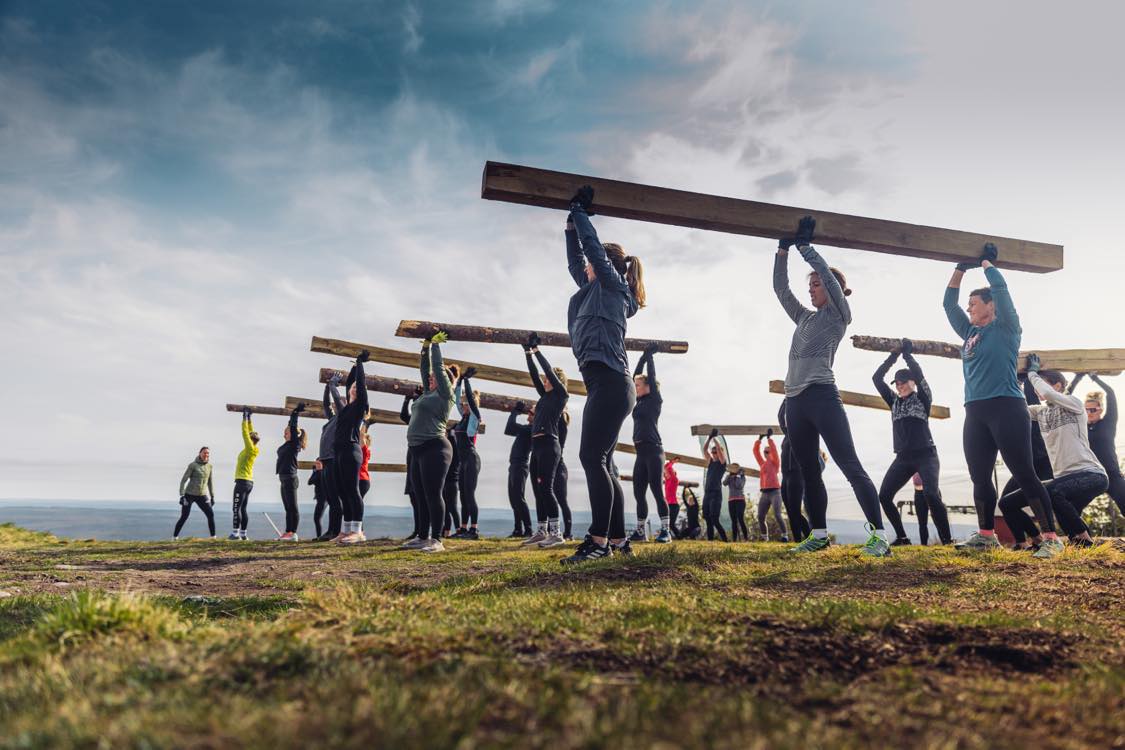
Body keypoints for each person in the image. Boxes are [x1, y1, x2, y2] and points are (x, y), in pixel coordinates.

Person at [774, 217, 889, 556]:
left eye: (815, 285)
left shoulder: (839, 314)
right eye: (809, 286)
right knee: (809, 472)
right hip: (795, 402)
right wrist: (782, 251)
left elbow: (825, 274)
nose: (810, 290)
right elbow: (781, 289)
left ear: (830, 287)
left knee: (850, 466)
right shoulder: (803, 317)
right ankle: (819, 535)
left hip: (823, 397)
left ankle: (880, 537)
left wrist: (805, 248)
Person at [944, 243, 1062, 556]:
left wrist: (986, 262)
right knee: (979, 476)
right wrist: (960, 268)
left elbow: (1001, 288)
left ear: (991, 305)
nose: (969, 308)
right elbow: (948, 304)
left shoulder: (1007, 327)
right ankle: (986, 536)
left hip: (1006, 407)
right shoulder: (969, 333)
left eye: (973, 303)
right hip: (975, 411)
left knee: (1024, 472)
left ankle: (1051, 539)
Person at [560, 185, 645, 564]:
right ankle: (618, 540)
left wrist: (580, 212)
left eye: (592, 263)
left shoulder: (613, 287)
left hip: (611, 382)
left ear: (605, 265)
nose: (585, 267)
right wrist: (569, 228)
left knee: (591, 457)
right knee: (603, 462)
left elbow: (592, 250)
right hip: (608, 383)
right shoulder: (594, 288)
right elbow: (576, 263)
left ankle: (598, 542)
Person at [999, 362, 1107, 553]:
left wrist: (1032, 373)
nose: (1038, 390)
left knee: (1053, 492)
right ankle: (1055, 541)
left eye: (1042, 383)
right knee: (1007, 503)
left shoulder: (1074, 404)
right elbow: (1015, 409)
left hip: (1091, 474)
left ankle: (1085, 540)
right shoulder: (1041, 412)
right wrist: (1015, 384)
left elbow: (1048, 394)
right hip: (1064, 480)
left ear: (1058, 385)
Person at [872, 339, 952, 546]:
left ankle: (947, 541)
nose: (900, 386)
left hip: (926, 456)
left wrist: (907, 355)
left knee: (931, 495)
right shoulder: (894, 402)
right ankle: (902, 537)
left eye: (904, 382)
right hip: (903, 459)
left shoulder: (923, 398)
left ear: (913, 382)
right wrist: (893, 355)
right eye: (897, 383)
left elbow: (919, 374)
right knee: (884, 496)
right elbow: (877, 378)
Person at [402, 333, 456, 553]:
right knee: (419, 494)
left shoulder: (445, 395)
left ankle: (437, 540)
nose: (430, 379)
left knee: (433, 494)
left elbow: (438, 368)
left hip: (435, 448)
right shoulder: (427, 393)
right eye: (430, 378)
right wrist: (424, 347)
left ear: (444, 382)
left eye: (434, 378)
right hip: (417, 450)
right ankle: (422, 536)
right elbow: (425, 369)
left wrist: (435, 346)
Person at [523, 334, 570, 548]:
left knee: (547, 489)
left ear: (557, 381)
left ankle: (556, 533)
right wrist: (527, 353)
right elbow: (535, 376)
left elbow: (548, 371)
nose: (545, 381)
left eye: (548, 379)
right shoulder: (544, 396)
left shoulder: (561, 395)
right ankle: (542, 531)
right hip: (537, 446)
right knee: (537, 489)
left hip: (550, 445)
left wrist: (537, 351)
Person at [629, 346, 670, 543]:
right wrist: (642, 358)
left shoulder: (654, 399)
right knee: (638, 492)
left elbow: (651, 378)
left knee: (656, 490)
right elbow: (633, 378)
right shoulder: (638, 402)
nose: (635, 387)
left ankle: (666, 531)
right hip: (640, 453)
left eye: (639, 385)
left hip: (654, 451)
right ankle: (640, 531)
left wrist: (650, 357)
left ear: (648, 387)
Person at [1069, 373, 1125, 516]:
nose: (1089, 413)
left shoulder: (1108, 422)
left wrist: (1094, 377)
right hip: (1090, 475)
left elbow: (1110, 392)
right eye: (1086, 410)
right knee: (1072, 508)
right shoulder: (1080, 426)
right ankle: (1078, 532)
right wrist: (1077, 378)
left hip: (1112, 474)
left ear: (1100, 409)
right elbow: (1065, 398)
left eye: (1093, 409)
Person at [333, 351, 370, 545]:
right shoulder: (347, 407)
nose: (354, 388)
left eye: (357, 387)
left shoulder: (360, 406)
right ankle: (345, 530)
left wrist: (360, 364)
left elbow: (360, 386)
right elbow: (350, 384)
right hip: (339, 451)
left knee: (353, 490)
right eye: (352, 387)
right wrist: (354, 368)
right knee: (343, 491)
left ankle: (357, 531)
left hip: (351, 450)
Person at [450, 369, 484, 540]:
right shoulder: (463, 417)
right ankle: (463, 529)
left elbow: (470, 399)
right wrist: (460, 382)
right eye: (463, 404)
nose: (462, 406)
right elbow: (457, 400)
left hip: (471, 459)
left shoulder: (474, 418)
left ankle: (474, 529)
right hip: (463, 461)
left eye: (466, 404)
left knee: (469, 494)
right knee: (463, 495)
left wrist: (467, 382)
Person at [777, 402, 811, 542]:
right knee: (790, 512)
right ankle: (798, 541)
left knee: (795, 510)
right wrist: (786, 400)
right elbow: (780, 417)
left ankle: (810, 539)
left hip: (797, 476)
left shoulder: (803, 433)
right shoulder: (787, 434)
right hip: (785, 477)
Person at [316, 376, 345, 541]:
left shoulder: (343, 416)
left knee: (335, 498)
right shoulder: (333, 418)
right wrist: (327, 387)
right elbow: (326, 404)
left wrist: (334, 385)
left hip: (334, 460)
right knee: (330, 497)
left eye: (340, 402)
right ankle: (330, 531)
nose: (336, 404)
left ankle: (334, 531)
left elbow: (336, 401)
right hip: (326, 460)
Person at [275, 403, 307, 541]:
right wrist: (291, 418)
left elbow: (293, 427)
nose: (284, 434)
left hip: (290, 478)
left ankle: (293, 533)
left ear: (294, 434)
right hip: (283, 478)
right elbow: (290, 427)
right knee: (287, 507)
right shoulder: (287, 444)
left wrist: (295, 413)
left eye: (286, 432)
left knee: (293, 507)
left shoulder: (295, 444)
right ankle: (288, 531)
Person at [230, 409, 261, 540]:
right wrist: (249, 419)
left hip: (242, 482)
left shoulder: (249, 449)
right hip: (248, 482)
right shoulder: (254, 448)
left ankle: (235, 533)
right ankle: (243, 534)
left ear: (251, 440)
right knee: (243, 509)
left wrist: (244, 417)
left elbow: (245, 433)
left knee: (236, 508)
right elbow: (250, 432)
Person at [505, 403, 535, 537]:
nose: (528, 414)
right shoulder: (526, 429)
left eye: (531, 413)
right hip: (515, 465)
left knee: (518, 497)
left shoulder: (530, 429)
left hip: (520, 465)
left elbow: (510, 426)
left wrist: (516, 411)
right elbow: (509, 430)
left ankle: (528, 530)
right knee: (514, 498)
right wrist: (515, 411)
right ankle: (518, 529)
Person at [753, 431, 788, 542]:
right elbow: (755, 452)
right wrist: (759, 440)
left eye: (768, 451)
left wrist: (769, 439)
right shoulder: (762, 463)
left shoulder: (775, 463)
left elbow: (775, 451)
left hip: (775, 492)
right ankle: (765, 537)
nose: (766, 453)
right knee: (760, 516)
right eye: (765, 451)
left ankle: (785, 536)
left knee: (777, 514)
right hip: (764, 493)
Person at [175, 446, 216, 539]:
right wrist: (182, 495)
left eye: (208, 453)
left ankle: (213, 537)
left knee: (210, 514)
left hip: (202, 495)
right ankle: (175, 537)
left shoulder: (209, 466)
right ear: (200, 453)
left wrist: (212, 496)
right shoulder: (192, 465)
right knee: (184, 516)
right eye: (204, 452)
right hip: (189, 495)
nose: (206, 454)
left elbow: (210, 482)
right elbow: (183, 480)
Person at [400, 389, 424, 541]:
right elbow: (404, 416)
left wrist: (416, 398)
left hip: (422, 456)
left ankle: (424, 530)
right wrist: (406, 400)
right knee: (414, 497)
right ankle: (417, 529)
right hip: (412, 456)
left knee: (421, 497)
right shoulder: (414, 419)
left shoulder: (425, 418)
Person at [701, 430, 729, 542]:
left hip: (716, 493)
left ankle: (725, 540)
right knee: (707, 517)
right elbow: (704, 450)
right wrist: (709, 438)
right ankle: (710, 541)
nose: (713, 454)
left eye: (715, 452)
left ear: (719, 452)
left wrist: (715, 439)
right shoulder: (711, 462)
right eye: (712, 452)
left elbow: (719, 451)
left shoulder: (722, 463)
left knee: (714, 519)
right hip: (707, 493)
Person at [556, 409, 574, 540]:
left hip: (559, 468)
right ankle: (550, 530)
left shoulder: (561, 423)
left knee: (562, 500)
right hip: (555, 467)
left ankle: (568, 533)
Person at [442, 423, 461, 537]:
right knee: (446, 508)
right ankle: (447, 532)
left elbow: (453, 442)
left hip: (452, 482)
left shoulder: (455, 454)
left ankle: (458, 530)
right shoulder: (447, 453)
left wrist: (451, 432)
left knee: (452, 507)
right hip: (446, 482)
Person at [723, 464, 750, 541]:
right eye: (732, 468)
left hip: (740, 500)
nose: (733, 469)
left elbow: (739, 485)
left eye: (735, 468)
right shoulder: (730, 477)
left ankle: (746, 538)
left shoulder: (742, 477)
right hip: (731, 500)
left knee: (740, 519)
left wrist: (738, 475)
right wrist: (729, 475)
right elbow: (724, 483)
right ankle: (734, 540)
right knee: (733, 521)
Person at [663, 458, 680, 541]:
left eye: (668, 472)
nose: (666, 473)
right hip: (669, 504)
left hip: (674, 505)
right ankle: (668, 536)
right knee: (668, 524)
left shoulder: (674, 479)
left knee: (671, 524)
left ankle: (679, 537)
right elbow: (664, 469)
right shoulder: (667, 480)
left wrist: (672, 462)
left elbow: (666, 467)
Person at [310, 460, 326, 539]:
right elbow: (309, 482)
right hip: (320, 498)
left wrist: (318, 472)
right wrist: (314, 472)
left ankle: (320, 536)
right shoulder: (317, 472)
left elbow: (316, 480)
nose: (317, 465)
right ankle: (319, 536)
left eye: (319, 463)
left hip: (324, 498)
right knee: (317, 518)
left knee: (317, 518)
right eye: (316, 463)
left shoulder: (324, 472)